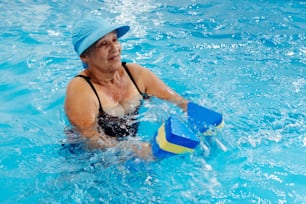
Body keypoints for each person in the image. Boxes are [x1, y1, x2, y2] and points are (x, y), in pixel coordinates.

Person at [64, 16, 188, 160]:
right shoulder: (80, 90)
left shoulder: (136, 74)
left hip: (130, 154)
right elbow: (90, 139)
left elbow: (180, 102)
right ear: (85, 56)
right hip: (87, 159)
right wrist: (127, 149)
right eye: (103, 44)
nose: (114, 48)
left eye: (115, 40)